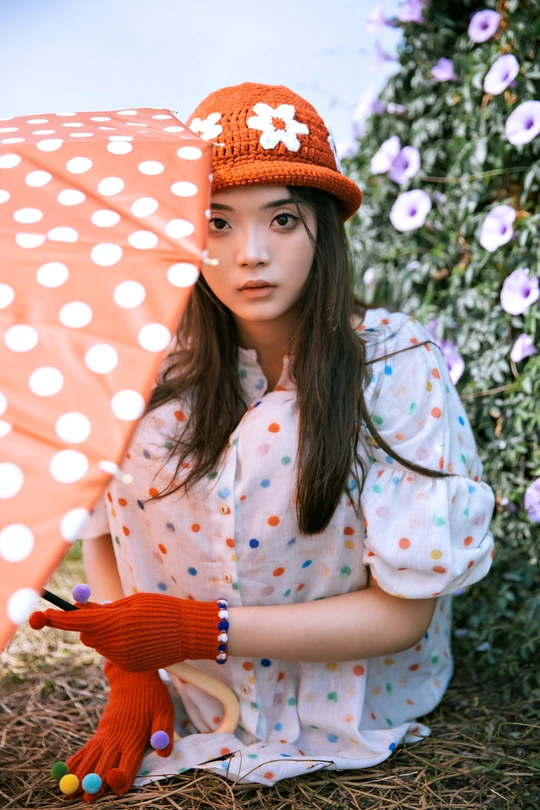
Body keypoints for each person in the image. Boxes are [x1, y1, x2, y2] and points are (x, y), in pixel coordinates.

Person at [30, 82, 495, 801]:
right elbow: (109, 526)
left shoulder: (394, 363)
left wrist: (198, 629)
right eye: (216, 222)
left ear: (323, 229)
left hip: (357, 695)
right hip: (197, 691)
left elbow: (403, 613)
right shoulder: (153, 370)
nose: (250, 254)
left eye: (281, 219)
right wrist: (133, 672)